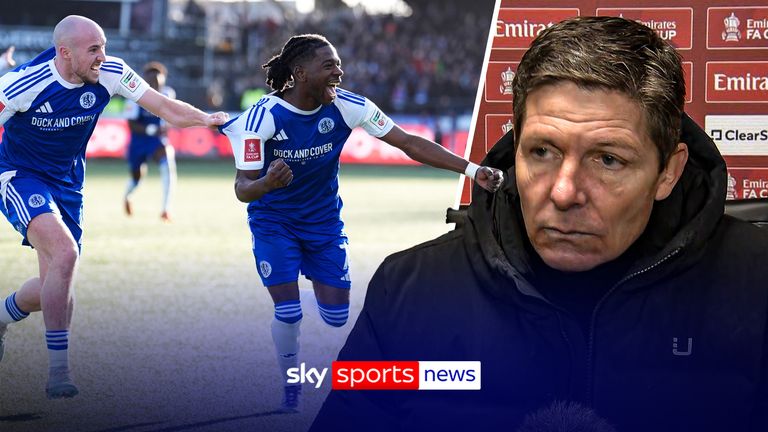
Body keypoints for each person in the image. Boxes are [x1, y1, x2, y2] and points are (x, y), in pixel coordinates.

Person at [311, 16, 768, 432]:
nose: (564, 192)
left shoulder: (754, 285)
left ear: (668, 170)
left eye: (608, 159)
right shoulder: (409, 290)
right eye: (542, 152)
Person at [219, 34, 504, 413]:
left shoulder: (349, 106)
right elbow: (242, 188)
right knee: (288, 312)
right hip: (275, 222)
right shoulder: (260, 119)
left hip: (323, 224)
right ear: (300, 73)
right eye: (329, 65)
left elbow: (409, 143)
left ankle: (298, 278)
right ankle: (289, 384)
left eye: (338, 63)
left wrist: (472, 170)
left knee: (336, 316)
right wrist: (267, 183)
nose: (339, 72)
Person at [0, 15, 228, 399]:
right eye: (94, 49)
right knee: (65, 254)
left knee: (53, 284)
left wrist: (206, 119)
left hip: (69, 184)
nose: (102, 56)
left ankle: (2, 316)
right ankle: (59, 373)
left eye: (103, 46)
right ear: (65, 52)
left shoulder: (111, 72)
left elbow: (164, 107)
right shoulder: (23, 83)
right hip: (18, 176)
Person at [123, 61, 177, 221]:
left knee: (168, 163)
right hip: (139, 141)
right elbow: (131, 125)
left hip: (157, 141)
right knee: (137, 176)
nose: (155, 85)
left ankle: (166, 208)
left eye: (158, 82)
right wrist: (152, 129)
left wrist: (168, 125)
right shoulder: (133, 96)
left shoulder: (168, 94)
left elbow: (170, 114)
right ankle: (128, 196)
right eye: (152, 81)